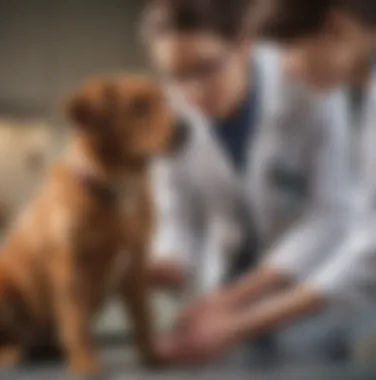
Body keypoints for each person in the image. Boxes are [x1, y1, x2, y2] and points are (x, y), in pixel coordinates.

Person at [158, 0, 376, 365]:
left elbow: (364, 251)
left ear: (336, 28)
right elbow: (177, 211)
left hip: (316, 302)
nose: (287, 66)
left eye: (290, 48)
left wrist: (238, 319)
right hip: (251, 291)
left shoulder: (315, 98)